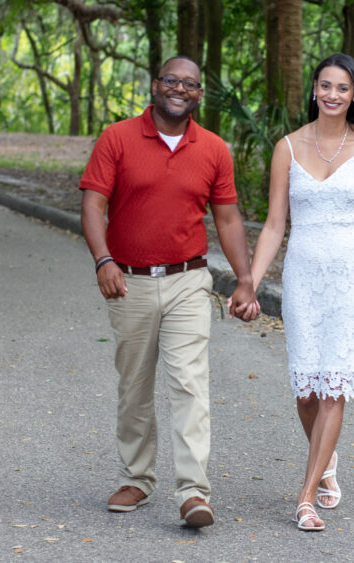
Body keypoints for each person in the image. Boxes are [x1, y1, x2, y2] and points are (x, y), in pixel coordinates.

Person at [79, 55, 258, 529]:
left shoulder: (214, 149)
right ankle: (137, 478)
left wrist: (245, 280)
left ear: (199, 95)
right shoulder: (117, 138)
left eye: (191, 84)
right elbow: (93, 204)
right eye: (172, 81)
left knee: (189, 383)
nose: (180, 89)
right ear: (155, 85)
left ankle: (193, 493)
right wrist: (103, 260)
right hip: (129, 282)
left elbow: (227, 219)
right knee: (134, 385)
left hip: (188, 281)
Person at [246, 52, 354, 531]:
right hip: (304, 277)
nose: (333, 94)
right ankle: (326, 459)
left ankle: (307, 495)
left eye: (343, 88)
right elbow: (274, 225)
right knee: (307, 390)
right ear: (314, 89)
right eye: (326, 85)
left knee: (334, 387)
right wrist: (250, 281)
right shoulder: (287, 148)